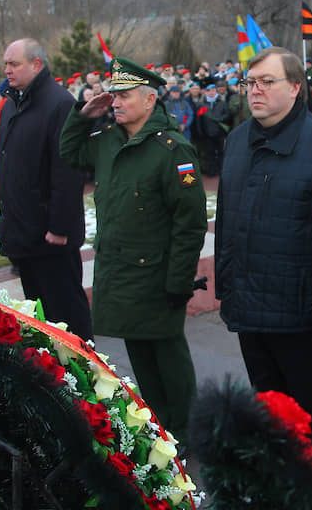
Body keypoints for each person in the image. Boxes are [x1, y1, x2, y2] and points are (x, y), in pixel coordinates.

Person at [214, 46, 312, 446]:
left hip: (300, 312)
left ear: (296, 87)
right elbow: (227, 219)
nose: (255, 91)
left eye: (267, 82)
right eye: (250, 82)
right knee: (268, 411)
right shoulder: (239, 139)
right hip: (248, 303)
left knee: (309, 416)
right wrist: (225, 286)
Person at [59, 57, 207, 440]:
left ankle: (189, 433)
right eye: (113, 94)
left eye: (124, 94)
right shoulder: (109, 139)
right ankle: (161, 428)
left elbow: (189, 223)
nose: (116, 101)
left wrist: (179, 280)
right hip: (120, 271)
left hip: (157, 274)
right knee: (140, 355)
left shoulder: (172, 150)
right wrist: (84, 114)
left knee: (170, 359)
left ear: (150, 99)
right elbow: (70, 152)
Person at [0, 38, 92, 342]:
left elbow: (67, 170)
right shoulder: (13, 103)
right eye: (6, 64)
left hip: (51, 238)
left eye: (14, 64)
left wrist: (60, 226)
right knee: (40, 322)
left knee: (68, 319)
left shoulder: (59, 103)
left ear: (36, 64)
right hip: (24, 234)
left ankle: (90, 379)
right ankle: (55, 381)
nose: (7, 70)